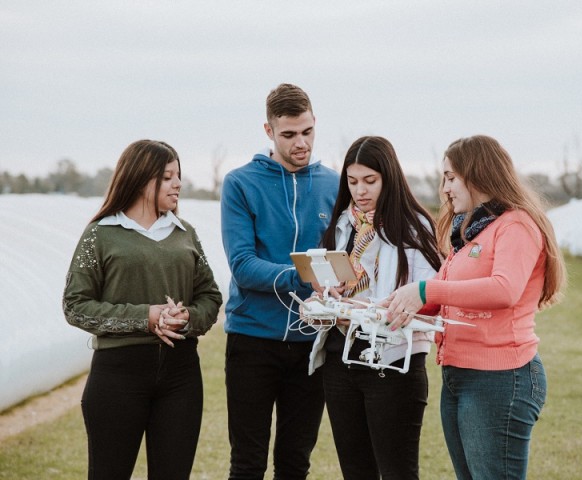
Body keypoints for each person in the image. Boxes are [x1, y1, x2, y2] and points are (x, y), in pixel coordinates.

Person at [385, 135, 567, 479]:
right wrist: (389, 306)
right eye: (443, 178)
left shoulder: (516, 224)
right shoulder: (471, 231)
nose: (445, 188)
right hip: (459, 375)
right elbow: (443, 298)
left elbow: (504, 289)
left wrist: (425, 289)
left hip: (500, 379)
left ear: (478, 173)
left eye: (451, 177)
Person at [63, 139, 223, 480]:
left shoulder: (186, 234)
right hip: (118, 376)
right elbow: (75, 306)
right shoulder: (100, 235)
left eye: (178, 175)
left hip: (181, 376)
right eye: (167, 177)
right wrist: (145, 318)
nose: (178, 183)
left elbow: (210, 296)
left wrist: (187, 319)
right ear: (139, 179)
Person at [220, 83, 340, 479]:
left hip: (313, 342)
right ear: (269, 131)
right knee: (248, 463)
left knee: (294, 463)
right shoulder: (240, 183)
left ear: (314, 123)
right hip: (251, 339)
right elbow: (242, 265)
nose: (300, 143)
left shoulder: (334, 185)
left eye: (307, 131)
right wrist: (306, 277)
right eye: (289, 135)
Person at [307, 135, 442, 479]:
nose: (360, 191)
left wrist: (365, 308)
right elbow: (334, 285)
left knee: (397, 472)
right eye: (352, 182)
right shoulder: (342, 225)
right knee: (356, 472)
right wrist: (325, 299)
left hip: (393, 363)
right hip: (340, 360)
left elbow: (430, 299)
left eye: (370, 181)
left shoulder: (415, 227)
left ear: (389, 178)